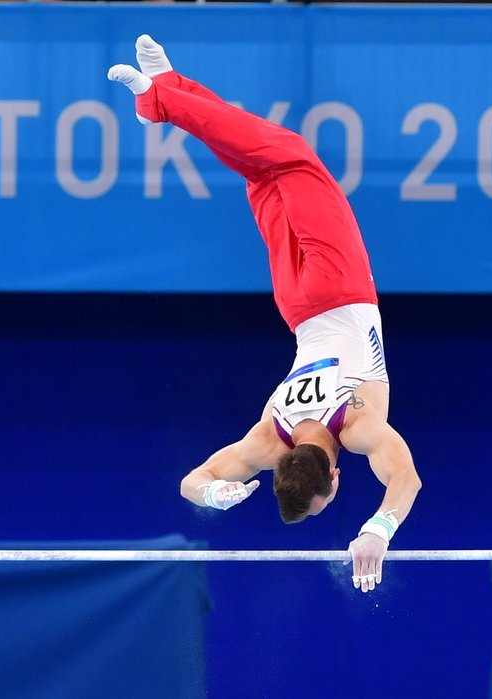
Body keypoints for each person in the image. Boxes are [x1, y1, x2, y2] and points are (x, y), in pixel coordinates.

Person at [108, 36, 422, 593]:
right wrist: (211, 492)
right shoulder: (266, 439)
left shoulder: (356, 424)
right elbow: (189, 482)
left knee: (292, 157)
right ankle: (171, 87)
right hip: (295, 305)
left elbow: (406, 480)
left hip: (340, 288)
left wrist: (378, 529)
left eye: (333, 490)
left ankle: (158, 102)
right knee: (264, 172)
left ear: (332, 473)